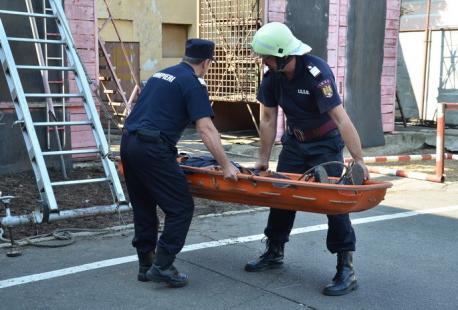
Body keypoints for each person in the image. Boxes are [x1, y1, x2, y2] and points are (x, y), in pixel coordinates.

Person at [244, 22, 369, 296]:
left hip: (324, 145)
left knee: (333, 202)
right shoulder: (271, 78)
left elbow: (340, 117)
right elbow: (267, 118)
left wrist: (358, 158)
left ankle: (346, 268)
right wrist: (263, 161)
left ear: (281, 54)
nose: (263, 62)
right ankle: (274, 250)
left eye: (265, 57)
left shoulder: (316, 73)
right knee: (280, 194)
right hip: (294, 144)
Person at [120, 38, 239, 288]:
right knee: (181, 208)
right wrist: (226, 165)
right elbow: (206, 128)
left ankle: (146, 264)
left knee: (143, 206)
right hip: (153, 148)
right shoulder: (193, 83)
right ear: (206, 63)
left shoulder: (160, 75)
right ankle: (162, 266)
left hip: (129, 143)